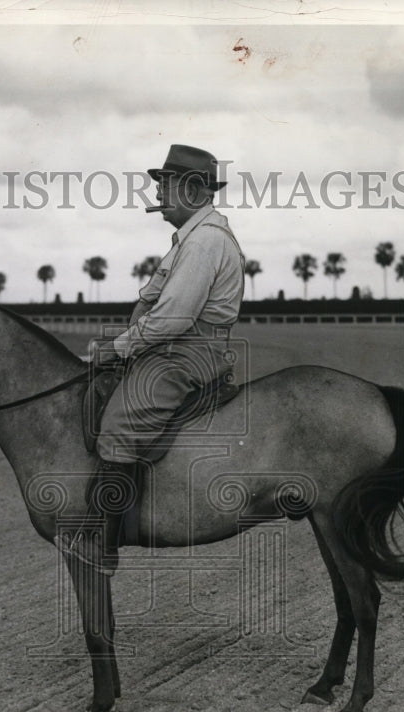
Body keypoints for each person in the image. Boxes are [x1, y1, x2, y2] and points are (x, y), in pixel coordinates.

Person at [58, 144, 245, 573]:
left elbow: (173, 318)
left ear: (194, 191)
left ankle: (101, 545)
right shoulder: (191, 239)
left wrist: (119, 347)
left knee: (120, 422)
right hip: (172, 346)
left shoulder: (204, 243)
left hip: (187, 352)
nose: (159, 191)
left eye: (167, 184)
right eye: (160, 183)